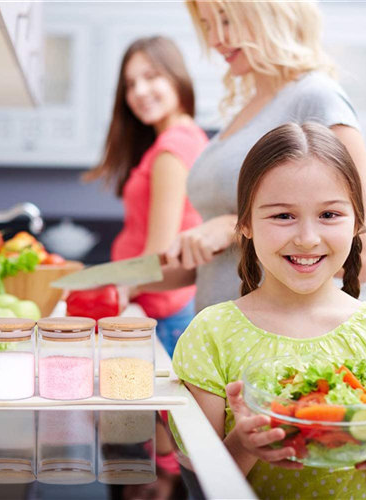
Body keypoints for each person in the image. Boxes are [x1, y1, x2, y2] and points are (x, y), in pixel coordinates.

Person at [171, 122, 366, 499]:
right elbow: (198, 484)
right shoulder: (211, 334)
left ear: (357, 222)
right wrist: (244, 445)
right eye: (283, 216)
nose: (308, 238)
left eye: (329, 215)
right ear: (244, 223)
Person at [147, 1, 366, 313]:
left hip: (275, 347)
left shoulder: (317, 98)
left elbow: (360, 257)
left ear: (271, 12)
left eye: (226, 20)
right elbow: (216, 262)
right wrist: (123, 280)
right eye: (207, 25)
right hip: (219, 340)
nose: (215, 39)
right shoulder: (247, 109)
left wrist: (232, 227)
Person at [85, 36, 208, 356]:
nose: (139, 91)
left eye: (152, 77)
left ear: (177, 77)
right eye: (130, 83)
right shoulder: (181, 138)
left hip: (166, 316)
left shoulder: (172, 148)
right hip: (165, 309)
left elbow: (158, 254)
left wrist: (109, 286)